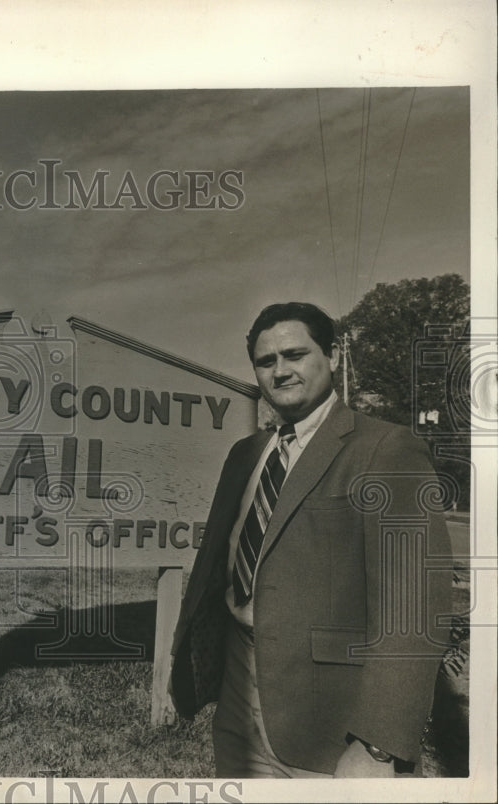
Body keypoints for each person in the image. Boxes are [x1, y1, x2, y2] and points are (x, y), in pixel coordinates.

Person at [169, 302, 453, 778]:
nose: (280, 371)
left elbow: (413, 608)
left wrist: (378, 745)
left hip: (329, 723)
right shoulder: (245, 454)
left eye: (295, 355)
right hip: (237, 699)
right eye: (266, 361)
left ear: (334, 355)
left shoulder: (386, 449)